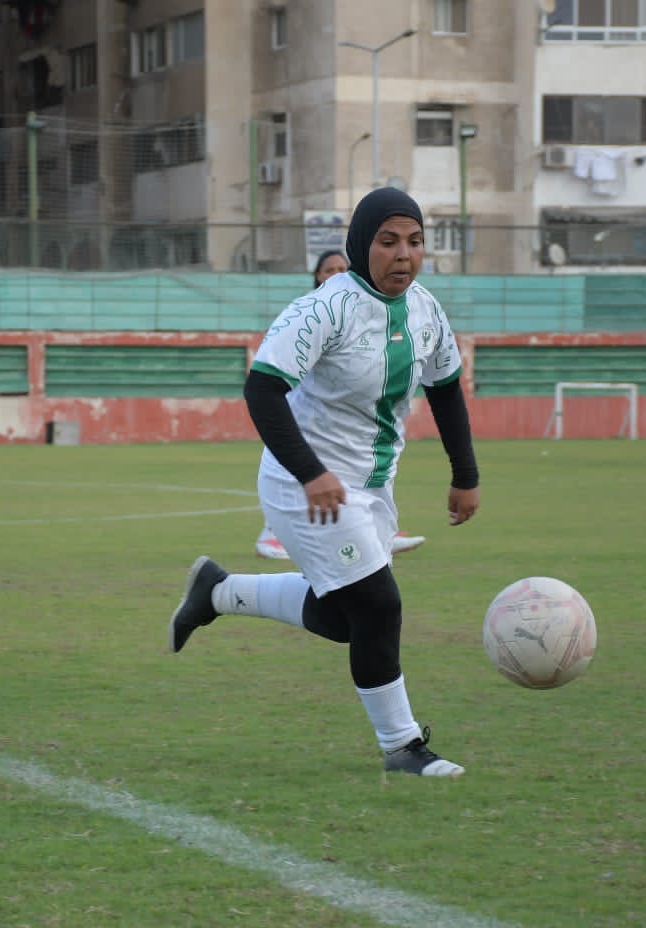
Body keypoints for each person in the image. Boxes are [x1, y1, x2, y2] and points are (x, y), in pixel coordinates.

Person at [170, 188, 480, 777]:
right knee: (379, 606)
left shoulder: (425, 310)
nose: (404, 254)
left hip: (372, 489)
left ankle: (218, 592)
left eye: (415, 242)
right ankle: (403, 747)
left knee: (345, 620)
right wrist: (310, 472)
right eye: (388, 241)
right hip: (305, 486)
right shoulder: (326, 307)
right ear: (362, 244)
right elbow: (262, 390)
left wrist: (465, 475)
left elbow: (445, 392)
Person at [253, 248, 426, 560]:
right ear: (317, 276)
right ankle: (270, 536)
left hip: (347, 422)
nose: (336, 274)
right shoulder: (311, 313)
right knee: (296, 472)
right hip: (308, 416)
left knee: (367, 466)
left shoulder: (365, 314)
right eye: (329, 269)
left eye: (342, 269)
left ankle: (378, 532)